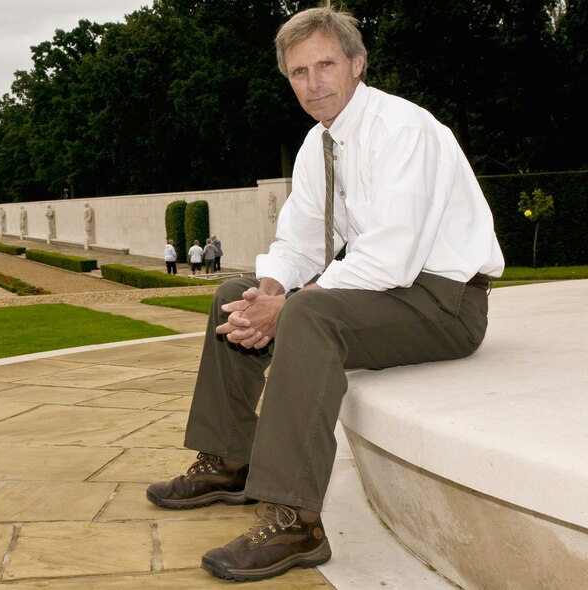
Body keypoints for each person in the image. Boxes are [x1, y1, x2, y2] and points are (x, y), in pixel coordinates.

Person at [146, 4, 504, 583]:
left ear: (357, 65)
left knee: (309, 314)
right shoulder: (321, 144)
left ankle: (295, 521)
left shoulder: (404, 131)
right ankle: (229, 459)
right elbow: (301, 241)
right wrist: (265, 292)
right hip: (388, 292)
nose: (313, 84)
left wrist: (287, 306)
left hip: (445, 302)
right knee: (233, 294)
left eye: (326, 65)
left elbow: (392, 254)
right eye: (298, 73)